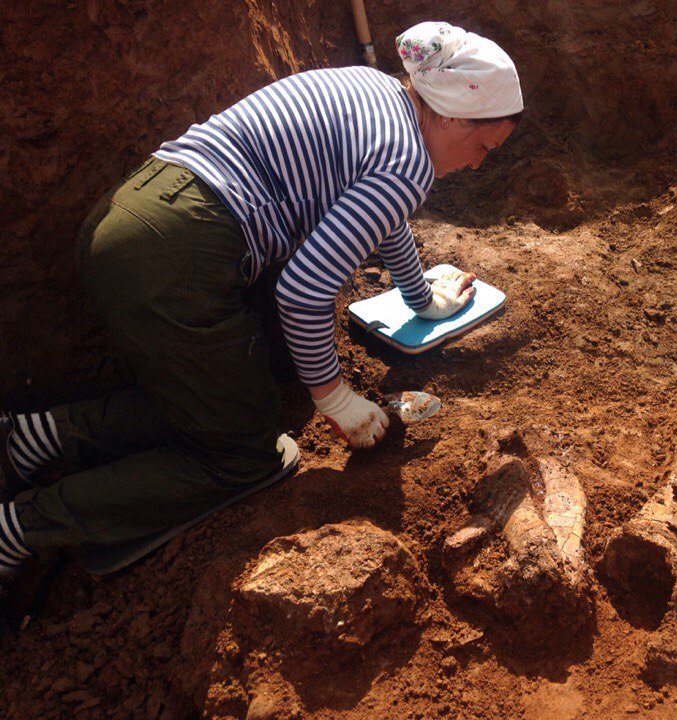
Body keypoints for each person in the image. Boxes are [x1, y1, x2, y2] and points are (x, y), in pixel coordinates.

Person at [0, 21, 523, 581]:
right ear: (452, 116)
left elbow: (380, 214)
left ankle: (31, 439)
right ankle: (19, 529)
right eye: (483, 146)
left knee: (222, 402)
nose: (477, 163)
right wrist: (335, 400)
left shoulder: (375, 90)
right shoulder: (408, 163)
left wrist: (421, 298)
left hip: (133, 213)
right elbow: (302, 293)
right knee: (245, 454)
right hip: (179, 257)